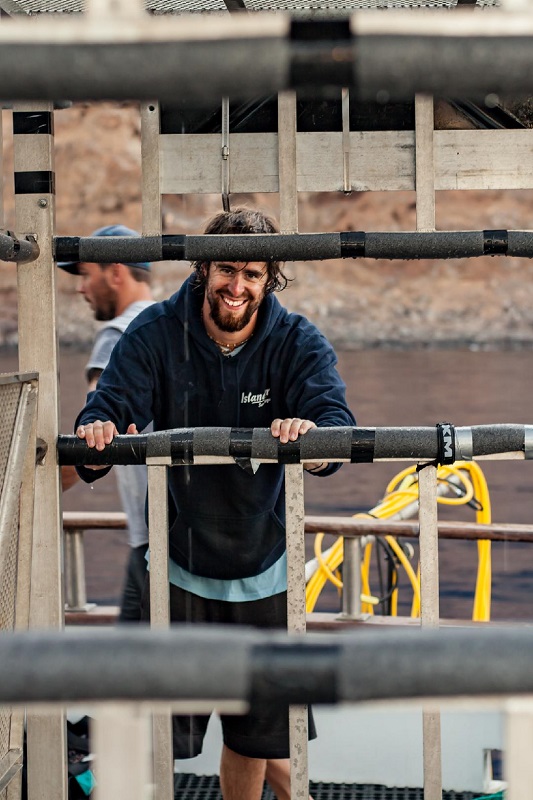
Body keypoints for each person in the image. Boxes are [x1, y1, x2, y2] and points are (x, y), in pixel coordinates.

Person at [73, 207, 356, 800]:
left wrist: (313, 439)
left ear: (270, 278)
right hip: (175, 571)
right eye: (227, 268)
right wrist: (98, 437)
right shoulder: (153, 331)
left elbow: (336, 424)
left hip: (265, 573)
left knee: (256, 740)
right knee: (156, 738)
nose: (238, 286)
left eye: (253, 274)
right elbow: (104, 413)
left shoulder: (297, 340)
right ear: (203, 267)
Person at [59, 224, 155, 622]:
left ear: (116, 272)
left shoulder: (116, 336)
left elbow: (94, 436)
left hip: (152, 538)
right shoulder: (167, 327)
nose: (81, 289)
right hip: (178, 528)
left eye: (86, 274)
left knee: (131, 669)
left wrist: (23, 493)